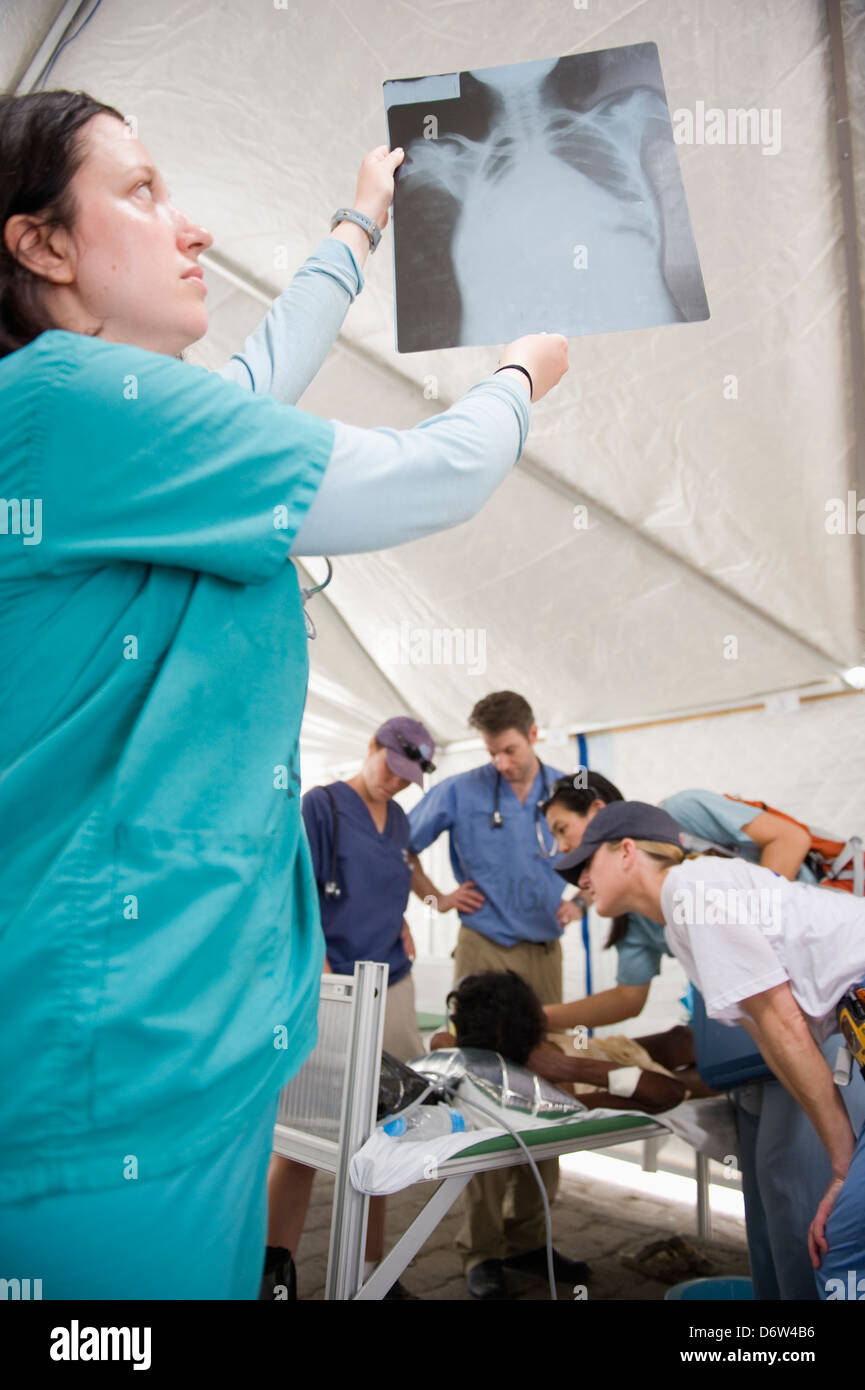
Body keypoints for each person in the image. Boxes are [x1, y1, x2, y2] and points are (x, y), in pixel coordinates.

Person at [0, 90, 569, 1299]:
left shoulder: (118, 437)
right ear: (39, 244)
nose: (189, 226)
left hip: (177, 1070)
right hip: (111, 1094)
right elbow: (428, 476)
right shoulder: (67, 404)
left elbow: (261, 374)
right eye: (143, 192)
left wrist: (357, 224)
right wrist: (523, 369)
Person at [545, 776, 865, 1300]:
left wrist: (839, 1164)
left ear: (626, 852)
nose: (579, 880)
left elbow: (784, 1024)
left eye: (585, 863)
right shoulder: (680, 923)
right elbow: (773, 1039)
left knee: (843, 1245)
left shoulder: (694, 892)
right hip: (850, 1023)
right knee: (824, 1226)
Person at [407, 690, 587, 1299]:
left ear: (534, 734)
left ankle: (529, 1239)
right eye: (492, 752)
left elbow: (600, 851)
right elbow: (399, 842)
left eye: (510, 750)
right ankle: (480, 1250)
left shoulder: (569, 787)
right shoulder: (460, 790)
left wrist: (582, 899)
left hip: (542, 953)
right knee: (479, 1089)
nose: (502, 763)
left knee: (549, 1082)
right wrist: (436, 897)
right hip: (482, 949)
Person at [262, 717, 434, 1299]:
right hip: (332, 991)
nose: (396, 783)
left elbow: (387, 880)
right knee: (306, 1141)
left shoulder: (403, 820)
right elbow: (294, 892)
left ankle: (370, 1275)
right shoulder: (323, 805)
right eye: (391, 767)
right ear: (371, 747)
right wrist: (319, 971)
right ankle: (275, 1275)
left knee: (383, 1137)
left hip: (391, 984)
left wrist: (404, 917)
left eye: (408, 778)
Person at [431, 970, 715, 1114]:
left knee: (683, 1039)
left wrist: (447, 1045)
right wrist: (570, 1068)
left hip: (609, 1050)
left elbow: (439, 1040)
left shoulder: (487, 1042)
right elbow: (670, 1092)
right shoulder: (552, 1092)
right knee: (706, 1078)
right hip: (626, 1075)